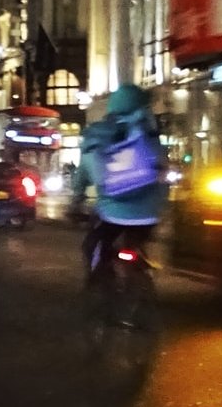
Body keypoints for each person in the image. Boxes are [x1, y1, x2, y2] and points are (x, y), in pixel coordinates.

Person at [72, 84, 168, 286]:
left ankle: (99, 286)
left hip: (112, 212)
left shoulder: (97, 135)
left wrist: (77, 200)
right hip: (149, 214)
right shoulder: (151, 134)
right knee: (136, 243)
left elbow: (85, 173)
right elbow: (162, 171)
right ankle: (142, 273)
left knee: (95, 245)